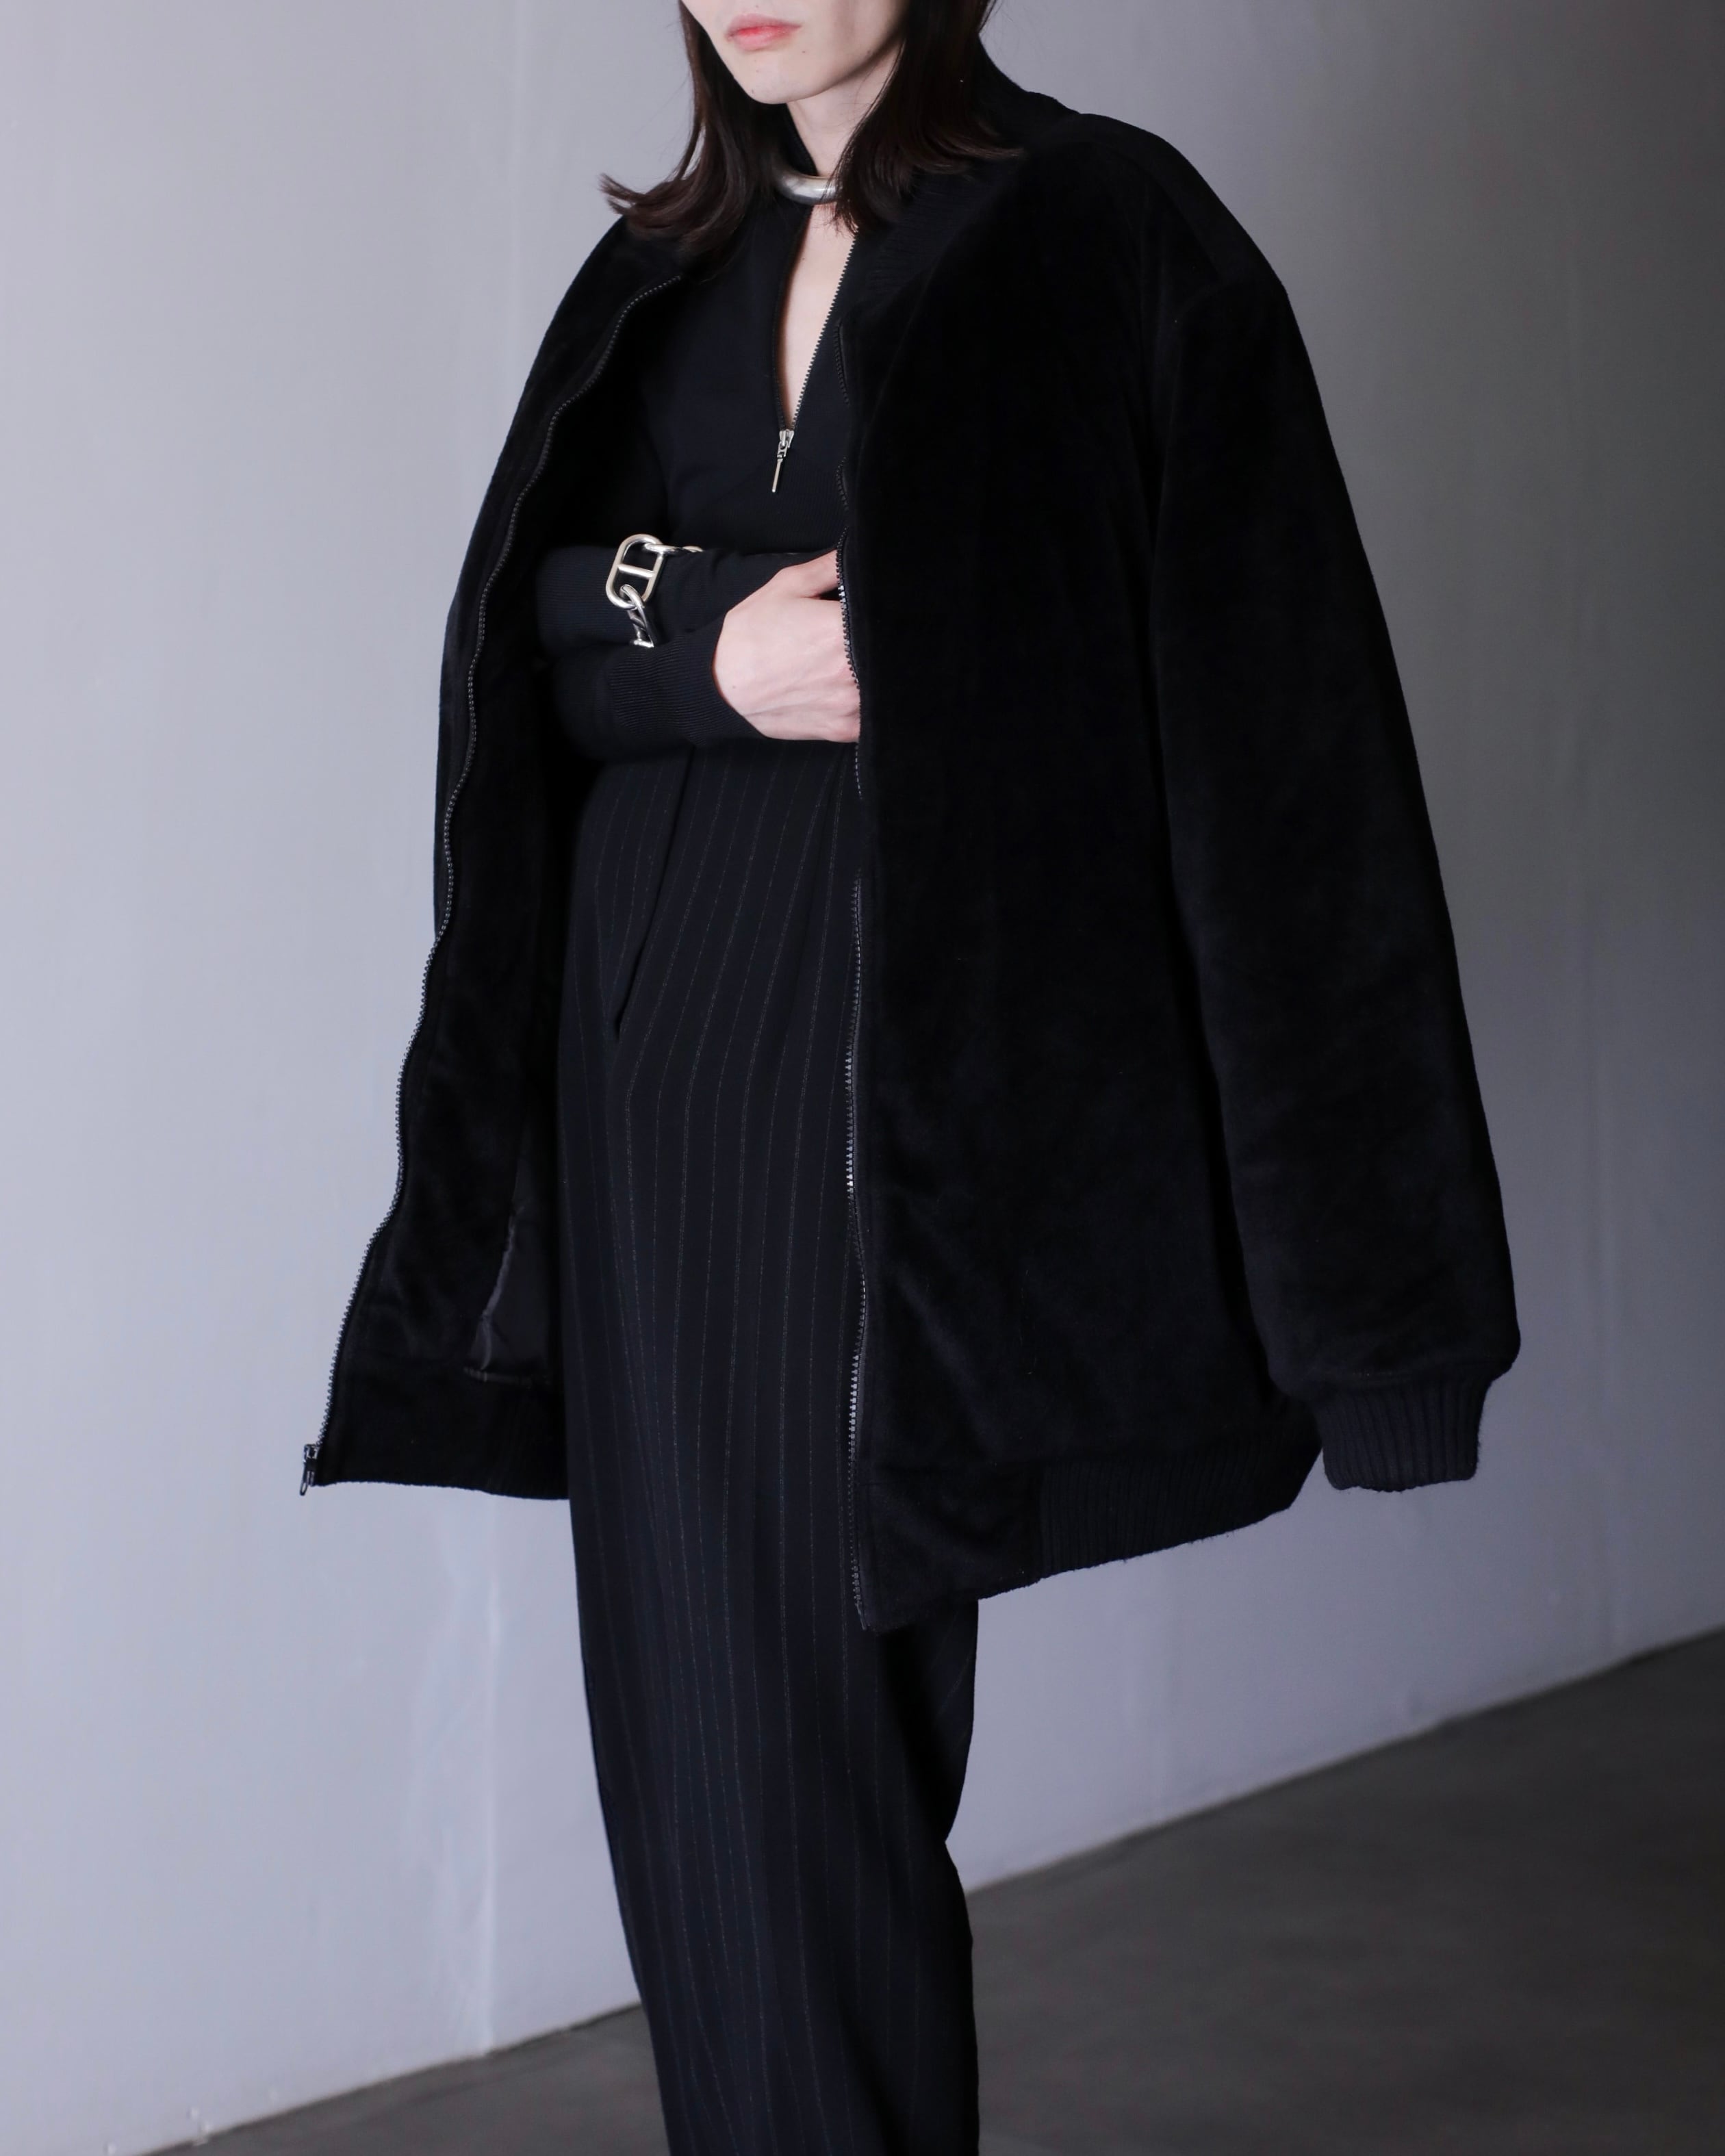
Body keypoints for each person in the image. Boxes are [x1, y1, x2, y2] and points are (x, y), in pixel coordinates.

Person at [305, 3, 1520, 2149]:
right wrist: (717, 652)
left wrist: (1388, 1326)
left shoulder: (1112, 232)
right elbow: (540, 639)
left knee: (801, 1783)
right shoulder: (658, 270)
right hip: (646, 1086)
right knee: (700, 1781)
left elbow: (1292, 760)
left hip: (907, 1114)